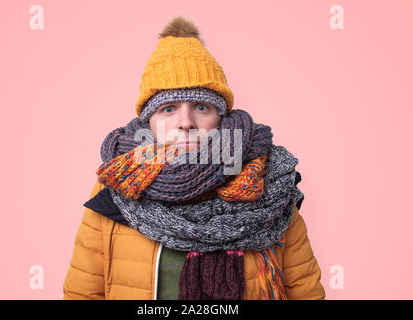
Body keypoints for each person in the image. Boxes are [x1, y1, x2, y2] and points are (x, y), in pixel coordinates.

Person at [62, 16, 326, 300]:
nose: (185, 122)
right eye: (168, 109)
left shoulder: (269, 183)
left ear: (222, 118)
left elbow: (305, 292)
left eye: (201, 106)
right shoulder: (118, 186)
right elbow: (83, 293)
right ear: (148, 121)